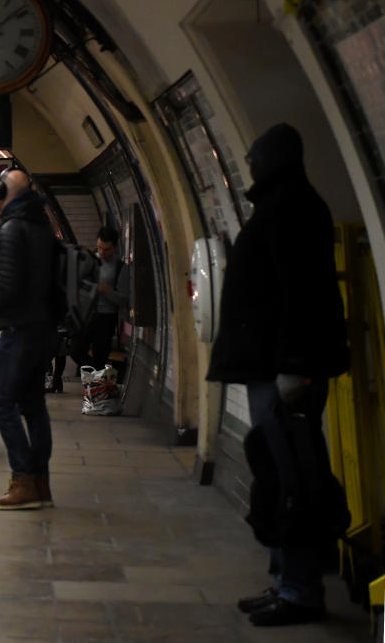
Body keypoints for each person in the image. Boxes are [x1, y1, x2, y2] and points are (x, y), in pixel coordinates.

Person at [206, 123, 350, 627]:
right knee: (278, 472)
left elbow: (302, 297)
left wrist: (294, 366)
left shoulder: (294, 209)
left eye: (255, 157)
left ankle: (300, 591)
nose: (248, 164)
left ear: (271, 160)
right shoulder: (285, 205)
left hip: (284, 370)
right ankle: (285, 581)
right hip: (270, 366)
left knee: (295, 479)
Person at [0, 168, 58, 510]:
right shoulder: (43, 226)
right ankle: (41, 484)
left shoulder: (11, 228)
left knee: (1, 405)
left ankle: (23, 479)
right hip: (44, 328)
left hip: (19, 331)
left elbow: (8, 287)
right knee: (34, 407)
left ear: (4, 193)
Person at [70, 226, 131, 371]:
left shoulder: (121, 268)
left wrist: (107, 290)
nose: (102, 252)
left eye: (107, 249)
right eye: (99, 248)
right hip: (86, 313)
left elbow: (123, 299)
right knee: (76, 351)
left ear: (115, 247)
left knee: (101, 353)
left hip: (106, 317)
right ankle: (97, 370)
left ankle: (97, 380)